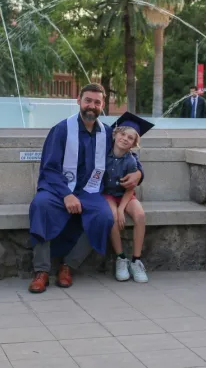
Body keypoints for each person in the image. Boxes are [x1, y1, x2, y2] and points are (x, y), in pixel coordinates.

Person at [28, 84, 144, 293]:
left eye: (97, 102)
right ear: (78, 101)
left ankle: (68, 266)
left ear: (102, 106)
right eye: (88, 101)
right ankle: (42, 271)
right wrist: (66, 195)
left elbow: (125, 153)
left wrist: (138, 173)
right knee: (41, 205)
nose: (92, 106)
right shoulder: (62, 130)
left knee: (104, 217)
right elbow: (49, 168)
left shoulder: (106, 133)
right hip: (58, 189)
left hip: (89, 191)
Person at [104, 112, 154, 283]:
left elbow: (130, 188)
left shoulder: (131, 161)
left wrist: (121, 208)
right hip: (107, 195)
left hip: (126, 195)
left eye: (130, 138)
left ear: (134, 143)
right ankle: (120, 258)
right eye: (123, 134)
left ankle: (136, 260)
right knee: (111, 218)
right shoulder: (103, 155)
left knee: (140, 215)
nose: (125, 139)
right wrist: (116, 211)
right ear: (115, 134)